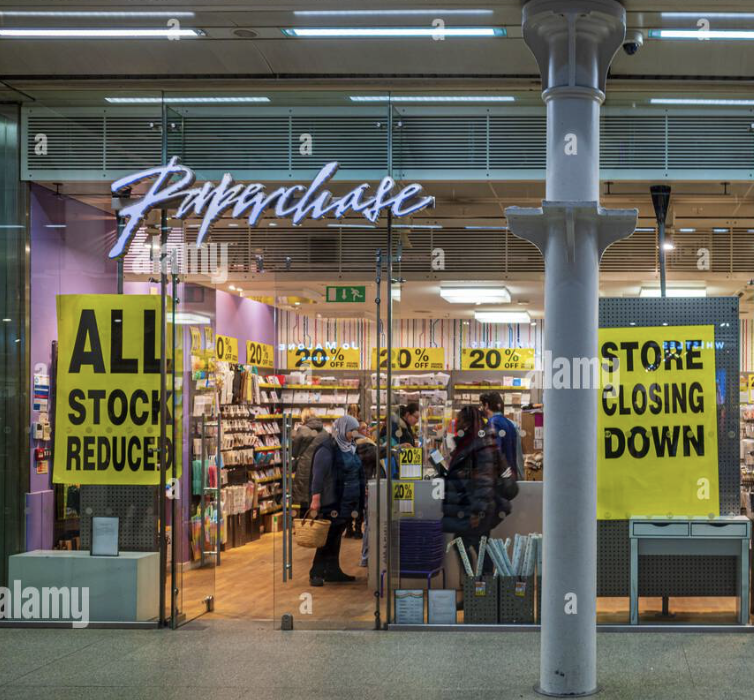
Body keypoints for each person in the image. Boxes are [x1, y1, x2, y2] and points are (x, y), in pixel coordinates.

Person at [442, 406, 515, 575]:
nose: (457, 423)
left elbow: (484, 480)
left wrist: (477, 512)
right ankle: (479, 592)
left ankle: (479, 591)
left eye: (460, 419)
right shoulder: (471, 442)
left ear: (468, 422)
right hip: (471, 505)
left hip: (477, 508)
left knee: (472, 546)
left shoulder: (479, 444)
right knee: (476, 546)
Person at [308, 415, 365, 586]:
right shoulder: (328, 448)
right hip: (333, 500)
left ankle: (333, 570)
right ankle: (316, 572)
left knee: (336, 535)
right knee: (328, 536)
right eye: (351, 431)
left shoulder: (349, 446)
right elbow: (318, 475)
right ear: (342, 429)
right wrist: (315, 499)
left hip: (347, 500)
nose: (353, 434)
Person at [480, 392, 523, 480]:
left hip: (500, 481)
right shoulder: (511, 424)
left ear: (487, 405)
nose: (480, 408)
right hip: (510, 479)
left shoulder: (492, 424)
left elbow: (494, 453)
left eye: (482, 405)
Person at [291, 407, 326, 515]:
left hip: (304, 469)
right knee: (317, 497)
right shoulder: (324, 431)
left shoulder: (302, 430)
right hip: (320, 468)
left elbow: (294, 452)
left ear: (304, 417)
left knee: (304, 500)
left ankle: (304, 527)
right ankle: (316, 526)